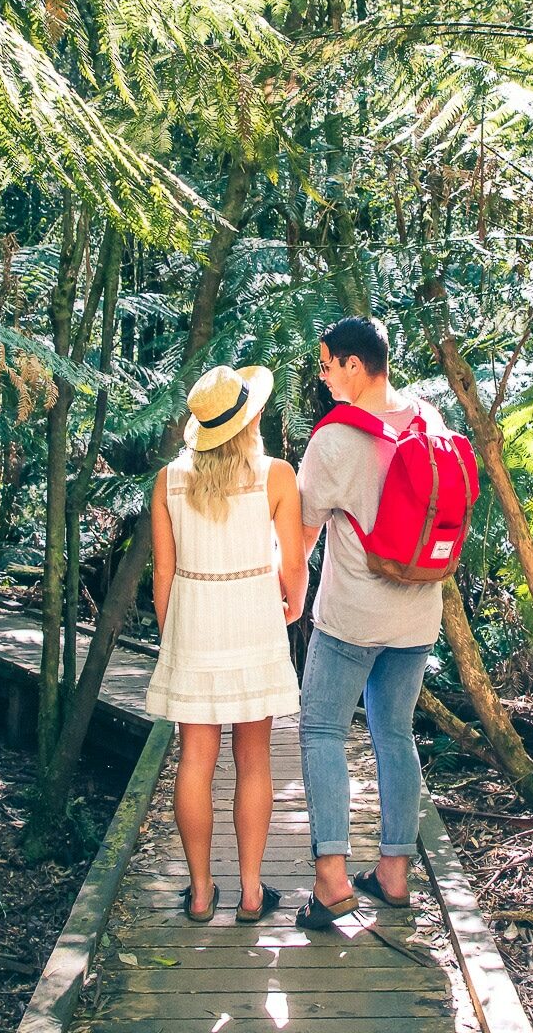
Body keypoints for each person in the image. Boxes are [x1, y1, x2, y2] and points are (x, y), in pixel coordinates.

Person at [295, 317, 445, 929]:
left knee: (322, 729)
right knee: (394, 734)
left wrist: (288, 595)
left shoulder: (332, 440)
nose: (324, 377)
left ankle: (331, 879)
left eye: (328, 365)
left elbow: (303, 532)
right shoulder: (429, 419)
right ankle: (393, 873)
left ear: (355, 365)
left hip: (352, 617)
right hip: (417, 615)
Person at [146, 364, 306, 924]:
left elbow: (162, 575)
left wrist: (173, 637)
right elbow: (293, 563)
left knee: (195, 760)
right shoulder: (277, 475)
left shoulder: (168, 481)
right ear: (250, 419)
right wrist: (295, 602)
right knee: (254, 759)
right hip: (253, 624)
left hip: (195, 625)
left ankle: (199, 891)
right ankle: (252, 892)